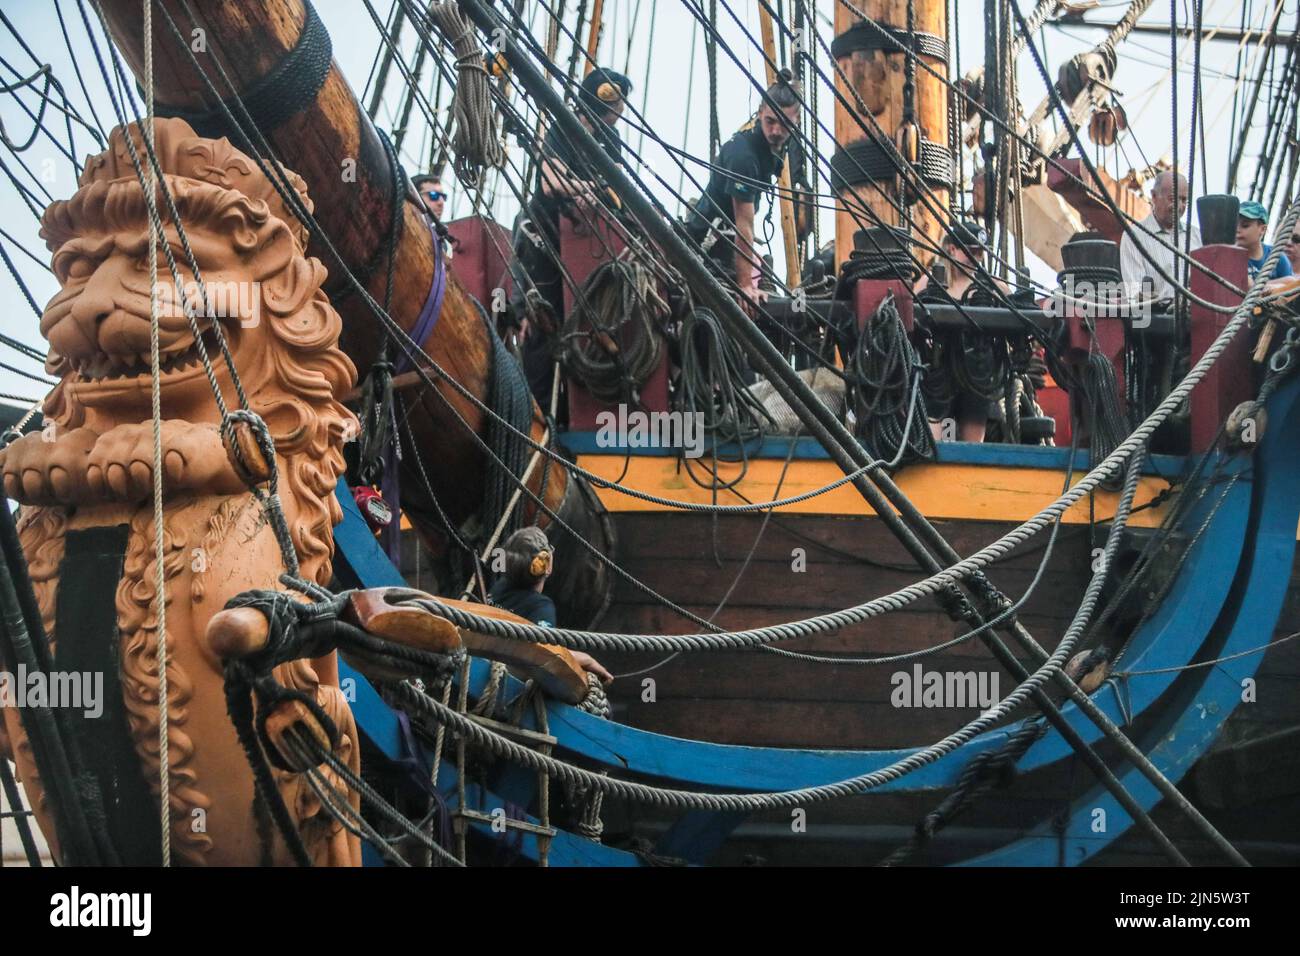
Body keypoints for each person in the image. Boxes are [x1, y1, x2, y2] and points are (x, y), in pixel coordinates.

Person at [512, 66, 632, 407]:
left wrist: (594, 191)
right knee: (543, 327)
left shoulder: (611, 138)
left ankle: (575, 406)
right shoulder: (563, 130)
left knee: (585, 324)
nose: (618, 117)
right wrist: (589, 188)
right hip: (545, 246)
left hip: (586, 248)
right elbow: (551, 182)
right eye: (614, 110)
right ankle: (537, 415)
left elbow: (618, 192)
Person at [686, 71, 802, 318]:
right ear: (760, 112)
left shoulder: (779, 141)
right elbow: (744, 226)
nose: (776, 131)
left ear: (797, 122)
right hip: (708, 242)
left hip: (729, 238)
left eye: (785, 125)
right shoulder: (744, 157)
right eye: (770, 121)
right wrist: (745, 285)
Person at [913, 221, 1008, 443]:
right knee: (934, 444)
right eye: (969, 251)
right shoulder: (932, 281)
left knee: (972, 447)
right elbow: (909, 309)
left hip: (977, 374)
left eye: (979, 252)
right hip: (938, 373)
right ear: (952, 249)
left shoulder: (992, 286)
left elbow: (1018, 311)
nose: (975, 257)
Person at [489, 527, 612, 684]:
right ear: (546, 563)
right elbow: (545, 655)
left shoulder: (499, 587)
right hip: (508, 683)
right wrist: (586, 659)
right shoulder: (541, 607)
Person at [1119, 170, 1201, 307]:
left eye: (1184, 200)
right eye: (1173, 199)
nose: (1180, 206)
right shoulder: (1134, 237)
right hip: (1158, 323)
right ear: (1154, 196)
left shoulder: (1196, 236)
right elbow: (1135, 293)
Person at [1235, 199, 1294, 281]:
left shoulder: (1277, 257)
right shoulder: (1228, 257)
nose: (1237, 230)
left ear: (1262, 229)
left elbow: (1289, 284)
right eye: (1234, 224)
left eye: (1245, 225)